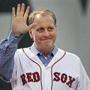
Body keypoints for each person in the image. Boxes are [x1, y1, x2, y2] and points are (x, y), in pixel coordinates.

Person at [0, 3, 90, 90]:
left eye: (50, 29)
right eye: (40, 30)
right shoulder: (17, 57)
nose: (46, 34)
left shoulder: (73, 61)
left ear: (56, 29)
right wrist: (15, 36)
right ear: (31, 33)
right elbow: (2, 69)